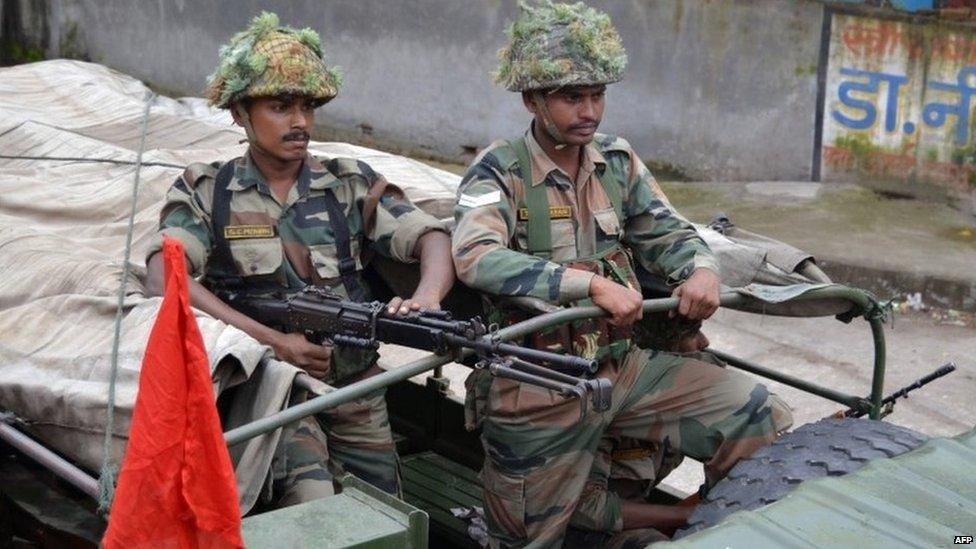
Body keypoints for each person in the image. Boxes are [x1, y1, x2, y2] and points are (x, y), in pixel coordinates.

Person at [451, 2, 793, 546]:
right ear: (532, 100)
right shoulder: (500, 169)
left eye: (597, 94)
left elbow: (669, 232)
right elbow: (475, 256)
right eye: (571, 96)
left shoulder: (616, 160)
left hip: (619, 367)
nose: (589, 110)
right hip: (538, 381)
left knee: (756, 413)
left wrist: (700, 270)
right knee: (526, 536)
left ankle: (706, 525)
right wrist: (588, 284)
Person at [144, 12, 454, 506]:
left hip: (355, 388)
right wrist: (271, 341)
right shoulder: (210, 191)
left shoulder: (348, 182)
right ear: (239, 113)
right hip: (274, 393)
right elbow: (165, 273)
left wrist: (427, 296)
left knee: (387, 516)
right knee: (312, 509)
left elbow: (430, 236)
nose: (301, 122)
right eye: (281, 106)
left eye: (308, 106)